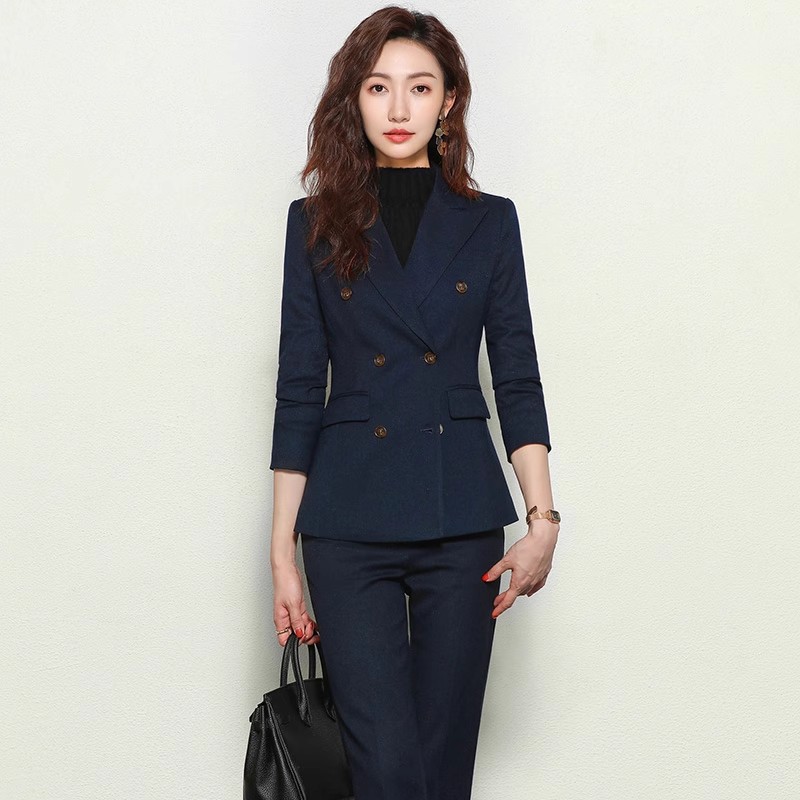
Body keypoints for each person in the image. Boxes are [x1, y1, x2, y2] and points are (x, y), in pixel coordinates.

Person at [268, 6, 560, 799]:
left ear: (448, 101)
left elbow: (517, 376)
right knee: (386, 767)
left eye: (420, 87)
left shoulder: (490, 222)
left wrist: (542, 521)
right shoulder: (313, 225)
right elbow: (300, 389)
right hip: (347, 520)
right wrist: (282, 552)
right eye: (378, 87)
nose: (399, 108)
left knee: (442, 768)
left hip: (459, 515)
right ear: (354, 100)